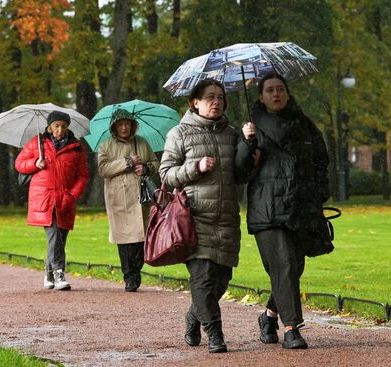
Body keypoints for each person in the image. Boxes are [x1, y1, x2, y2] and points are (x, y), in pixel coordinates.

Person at [236, 72, 330, 349]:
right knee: (284, 265)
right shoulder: (253, 127)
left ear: (288, 94)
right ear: (261, 97)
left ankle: (268, 316)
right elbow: (239, 172)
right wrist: (247, 143)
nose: (275, 94)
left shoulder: (304, 124)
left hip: (301, 206)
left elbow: (320, 159)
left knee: (293, 267)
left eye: (280, 89)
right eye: (269, 90)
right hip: (268, 207)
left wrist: (321, 191)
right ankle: (291, 329)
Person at [159, 79, 241, 353]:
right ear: (195, 101)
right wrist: (195, 167)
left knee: (221, 280)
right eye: (209, 97)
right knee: (203, 279)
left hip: (227, 217)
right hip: (193, 218)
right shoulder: (179, 133)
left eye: (220, 97)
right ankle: (215, 333)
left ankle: (194, 316)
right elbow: (166, 175)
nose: (216, 101)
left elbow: (241, 174)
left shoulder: (232, 134)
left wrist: (251, 147)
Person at [15, 110, 89, 291]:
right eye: (56, 126)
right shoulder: (37, 143)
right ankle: (59, 273)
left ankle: (48, 272)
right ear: (50, 126)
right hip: (45, 199)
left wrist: (72, 195)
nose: (60, 129)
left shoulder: (76, 147)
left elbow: (83, 176)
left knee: (60, 238)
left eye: (63, 126)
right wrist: (35, 163)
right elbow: (19, 163)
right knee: (54, 235)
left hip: (65, 199)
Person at [98, 108, 159, 292]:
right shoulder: (106, 146)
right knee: (125, 239)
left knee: (141, 236)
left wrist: (146, 168)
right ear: (114, 127)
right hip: (119, 198)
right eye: (120, 124)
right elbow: (103, 169)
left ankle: (136, 270)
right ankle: (129, 276)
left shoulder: (141, 142)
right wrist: (128, 162)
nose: (124, 127)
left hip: (141, 197)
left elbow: (156, 163)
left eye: (127, 124)